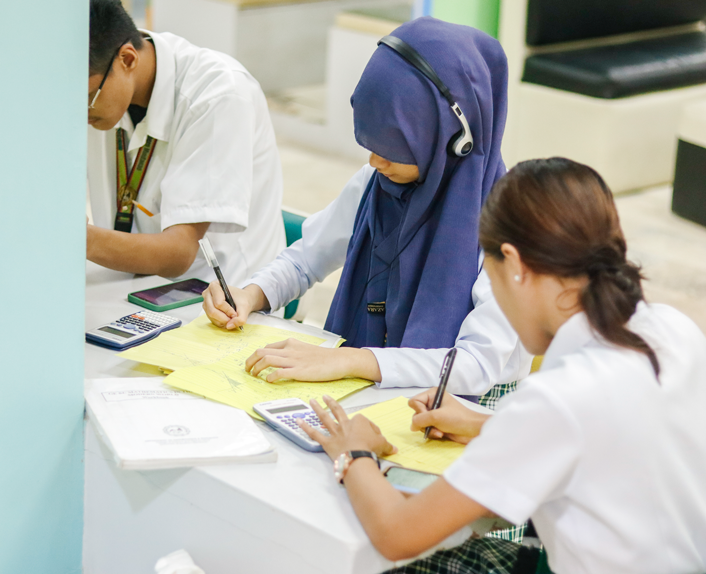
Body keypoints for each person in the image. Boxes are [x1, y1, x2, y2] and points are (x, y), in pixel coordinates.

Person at [296, 158, 706, 574]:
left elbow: (398, 535)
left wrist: (355, 453)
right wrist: (483, 424)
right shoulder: (674, 330)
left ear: (513, 265)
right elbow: (606, 437)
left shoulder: (558, 398)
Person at [203, 18, 530, 398]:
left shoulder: (509, 224)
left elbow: (475, 366)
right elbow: (304, 260)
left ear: (455, 140)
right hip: (371, 390)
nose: (376, 161)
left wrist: (351, 360)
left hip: (465, 411)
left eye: (394, 149)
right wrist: (251, 294)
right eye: (369, 144)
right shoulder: (376, 184)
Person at [86, 0, 285, 283]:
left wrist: (83, 240)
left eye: (88, 98)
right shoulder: (98, 79)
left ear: (128, 60)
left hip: (224, 294)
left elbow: (178, 253)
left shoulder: (219, 96)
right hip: (129, 279)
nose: (82, 113)